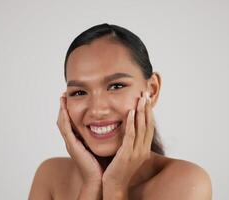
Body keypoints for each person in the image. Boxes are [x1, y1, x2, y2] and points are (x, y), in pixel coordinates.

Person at [29, 23, 212, 200]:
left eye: (116, 86)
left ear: (152, 89)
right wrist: (91, 184)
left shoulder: (186, 183)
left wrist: (115, 187)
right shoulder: (50, 177)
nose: (97, 110)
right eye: (79, 92)